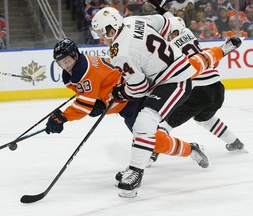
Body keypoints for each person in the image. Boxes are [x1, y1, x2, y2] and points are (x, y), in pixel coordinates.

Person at [91, 6, 242, 198]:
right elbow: (165, 23)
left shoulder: (119, 52)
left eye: (101, 34)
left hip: (171, 81)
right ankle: (221, 50)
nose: (101, 39)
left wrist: (120, 93)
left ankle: (135, 172)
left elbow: (139, 88)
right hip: (177, 64)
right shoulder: (133, 21)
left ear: (112, 30)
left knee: (145, 122)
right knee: (194, 65)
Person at [148, 16, 245, 166]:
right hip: (217, 89)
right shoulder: (189, 35)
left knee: (165, 121)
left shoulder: (168, 46)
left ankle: (152, 152)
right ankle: (234, 142)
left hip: (198, 91)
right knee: (205, 118)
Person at [45, 38, 141, 138]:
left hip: (131, 96)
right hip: (127, 93)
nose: (66, 66)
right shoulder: (81, 64)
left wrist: (62, 117)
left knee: (143, 136)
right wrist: (99, 100)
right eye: (61, 63)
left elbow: (84, 105)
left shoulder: (84, 71)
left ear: (75, 55)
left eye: (67, 61)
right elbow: (96, 88)